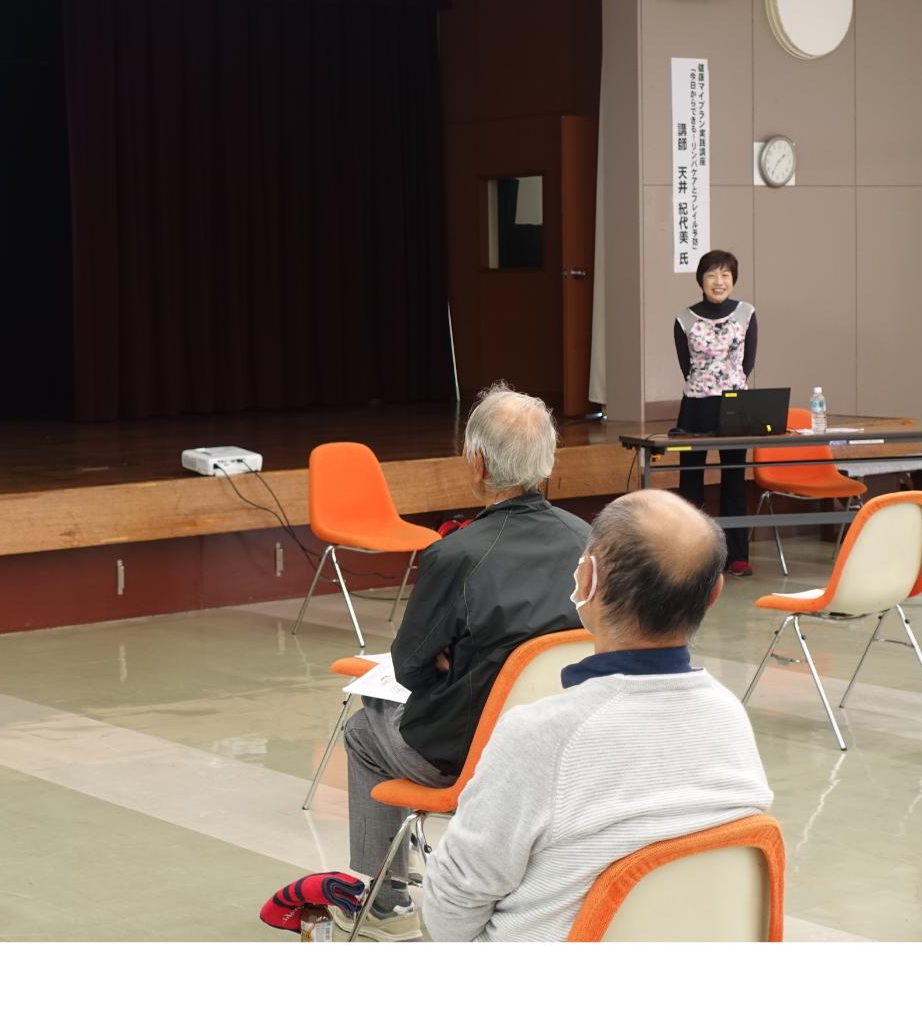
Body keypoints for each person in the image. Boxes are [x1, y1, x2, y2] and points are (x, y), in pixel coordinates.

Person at [421, 489, 773, 942]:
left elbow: (450, 910)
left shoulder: (540, 736)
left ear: (586, 579)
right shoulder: (729, 716)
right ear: (714, 594)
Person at [331, 383, 589, 941]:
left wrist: (452, 660)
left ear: (477, 462)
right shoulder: (588, 541)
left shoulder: (457, 554)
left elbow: (411, 668)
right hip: (568, 747)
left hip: (470, 753)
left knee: (362, 730)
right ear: (548, 460)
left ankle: (385, 905)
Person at [674, 249, 759, 576]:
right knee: (691, 482)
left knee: (734, 480)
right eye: (711, 275)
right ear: (701, 280)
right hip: (695, 406)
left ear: (733, 279)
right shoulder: (684, 318)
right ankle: (691, 557)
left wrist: (728, 386)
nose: (718, 281)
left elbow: (748, 362)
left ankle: (736, 556)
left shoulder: (747, 313)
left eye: (725, 275)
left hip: (735, 406)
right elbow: (686, 366)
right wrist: (708, 385)